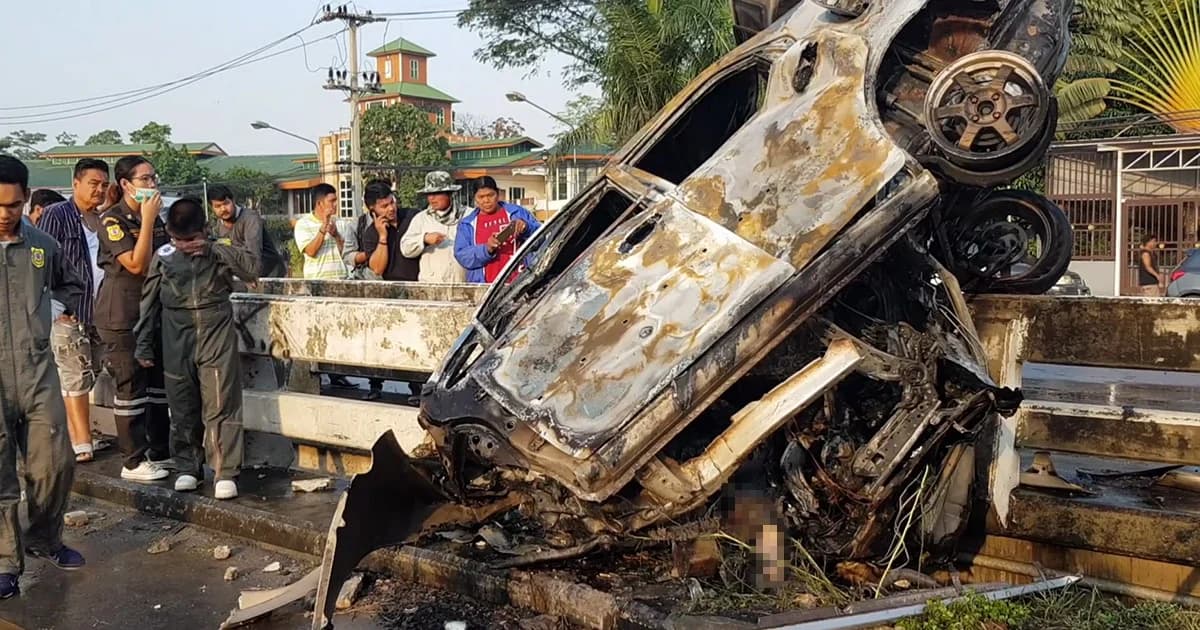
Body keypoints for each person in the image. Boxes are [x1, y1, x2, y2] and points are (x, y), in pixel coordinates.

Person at [0, 156, 87, 599]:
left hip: (37, 370)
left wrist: (56, 308)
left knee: (55, 462)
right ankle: (4, 561)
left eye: (13, 205)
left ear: (26, 199)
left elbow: (71, 284)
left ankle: (43, 538)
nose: (4, 214)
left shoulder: (41, 244)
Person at [136, 198, 256, 500]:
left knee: (221, 401)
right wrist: (144, 343)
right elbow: (148, 301)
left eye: (191, 239)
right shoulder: (163, 257)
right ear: (169, 233)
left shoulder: (218, 251)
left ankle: (224, 470)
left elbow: (253, 268)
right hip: (176, 334)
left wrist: (214, 249)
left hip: (215, 330)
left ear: (203, 229)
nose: (186, 245)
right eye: (179, 239)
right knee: (182, 404)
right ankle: (187, 466)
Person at [95, 156, 171, 482]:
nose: (151, 185)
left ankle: (160, 452)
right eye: (144, 180)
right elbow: (137, 264)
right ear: (126, 185)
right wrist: (149, 220)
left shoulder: (158, 220)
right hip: (122, 314)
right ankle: (132, 460)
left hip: (154, 311)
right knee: (130, 386)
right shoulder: (113, 220)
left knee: (158, 387)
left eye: (154, 178)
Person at [38, 159, 110, 463]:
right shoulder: (57, 215)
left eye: (104, 184)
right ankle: (82, 441)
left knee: (91, 371)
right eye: (93, 183)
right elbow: (41, 258)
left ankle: (73, 432)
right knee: (74, 375)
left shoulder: (102, 220)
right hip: (67, 310)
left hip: (99, 310)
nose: (99, 190)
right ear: (76, 183)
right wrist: (55, 306)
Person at [455, 176, 541, 284]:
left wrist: (527, 228)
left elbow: (542, 238)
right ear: (475, 198)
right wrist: (487, 249)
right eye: (481, 197)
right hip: (486, 288)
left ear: (498, 194)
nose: (486, 200)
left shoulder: (517, 212)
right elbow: (462, 256)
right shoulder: (467, 224)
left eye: (490, 195)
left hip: (520, 283)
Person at [208, 185, 288, 281]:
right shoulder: (218, 226)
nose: (223, 209)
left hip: (270, 274)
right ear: (212, 208)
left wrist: (246, 278)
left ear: (233, 200)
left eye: (226, 203)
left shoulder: (250, 218)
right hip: (244, 275)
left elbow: (254, 258)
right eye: (217, 206)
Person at [402, 171, 467, 283]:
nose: (432, 198)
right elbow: (405, 248)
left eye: (436, 193)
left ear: (449, 193)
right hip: (431, 286)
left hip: (463, 284)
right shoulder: (422, 218)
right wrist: (424, 239)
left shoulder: (468, 215)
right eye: (429, 194)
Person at [359, 179, 420, 282]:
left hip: (420, 283)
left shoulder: (413, 216)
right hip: (392, 287)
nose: (391, 208)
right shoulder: (371, 233)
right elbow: (377, 269)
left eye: (392, 202)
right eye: (384, 206)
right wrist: (382, 237)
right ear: (372, 209)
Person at [294, 183, 348, 280]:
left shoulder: (340, 223)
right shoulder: (303, 224)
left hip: (340, 279)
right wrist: (323, 228)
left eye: (336, 200)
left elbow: (346, 253)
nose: (335, 204)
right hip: (316, 281)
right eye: (332, 201)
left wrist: (336, 235)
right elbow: (311, 252)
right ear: (319, 203)